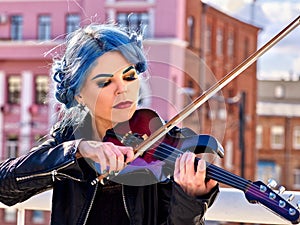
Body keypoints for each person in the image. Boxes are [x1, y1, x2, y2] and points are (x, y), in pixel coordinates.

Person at [0, 23, 219, 225]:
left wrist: (189, 200)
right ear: (79, 95)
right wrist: (77, 151)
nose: (122, 89)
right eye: (106, 82)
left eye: (130, 77)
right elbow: (4, 185)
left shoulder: (163, 146)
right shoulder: (70, 139)